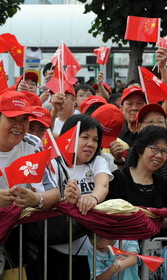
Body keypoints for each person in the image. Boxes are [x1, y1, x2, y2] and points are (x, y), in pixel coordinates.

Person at [50, 114, 112, 280]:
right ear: (69, 136)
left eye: (95, 139)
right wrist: (66, 200)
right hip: (57, 249)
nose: (91, 144)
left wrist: (92, 198)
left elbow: (103, 185)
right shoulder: (54, 163)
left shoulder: (98, 161)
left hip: (90, 252)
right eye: (85, 137)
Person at [107, 126, 167, 209]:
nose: (159, 156)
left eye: (164, 151)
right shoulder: (118, 179)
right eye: (155, 149)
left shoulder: (162, 184)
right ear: (139, 150)